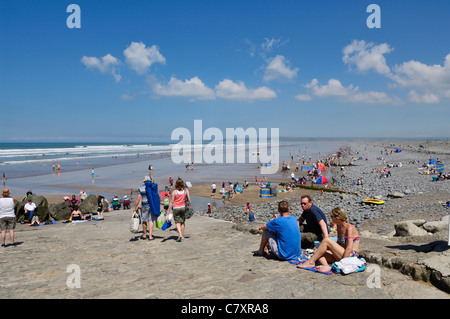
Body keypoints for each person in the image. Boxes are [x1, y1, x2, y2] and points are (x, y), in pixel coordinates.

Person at [297, 207, 360, 273]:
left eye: (332, 217)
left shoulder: (349, 228)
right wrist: (327, 250)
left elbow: (349, 248)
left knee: (326, 240)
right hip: (341, 253)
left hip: (351, 255)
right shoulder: (339, 226)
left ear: (337, 218)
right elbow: (339, 243)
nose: (331, 218)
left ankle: (310, 262)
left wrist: (343, 263)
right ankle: (326, 266)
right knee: (317, 252)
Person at [134, 176, 156, 240]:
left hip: (144, 206)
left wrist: (135, 207)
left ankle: (144, 235)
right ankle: (150, 236)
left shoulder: (141, 188)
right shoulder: (153, 186)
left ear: (144, 181)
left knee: (144, 220)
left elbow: (138, 199)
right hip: (152, 206)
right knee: (151, 220)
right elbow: (156, 196)